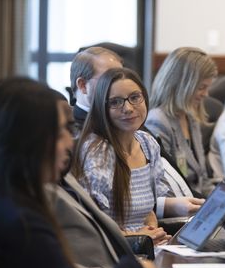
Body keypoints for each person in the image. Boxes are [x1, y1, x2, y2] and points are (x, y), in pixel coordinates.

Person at [0, 77, 158, 268]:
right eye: (60, 133)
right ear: (27, 141)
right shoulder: (22, 224)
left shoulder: (4, 201)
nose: (70, 143)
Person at [72, 67, 202, 236]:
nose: (128, 108)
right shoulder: (98, 152)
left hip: (147, 245)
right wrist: (139, 237)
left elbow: (148, 211)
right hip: (116, 252)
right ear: (101, 108)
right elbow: (93, 227)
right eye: (116, 102)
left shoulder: (147, 143)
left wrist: (152, 229)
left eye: (134, 97)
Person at [145, 47, 217, 197]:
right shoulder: (158, 120)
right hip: (182, 209)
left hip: (200, 203)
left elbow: (202, 179)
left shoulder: (190, 116)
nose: (206, 94)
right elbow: (164, 185)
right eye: (201, 87)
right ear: (182, 85)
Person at [69, 46, 123, 136]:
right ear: (83, 85)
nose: (120, 86)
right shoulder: (69, 130)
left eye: (121, 78)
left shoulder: (128, 120)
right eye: (109, 78)